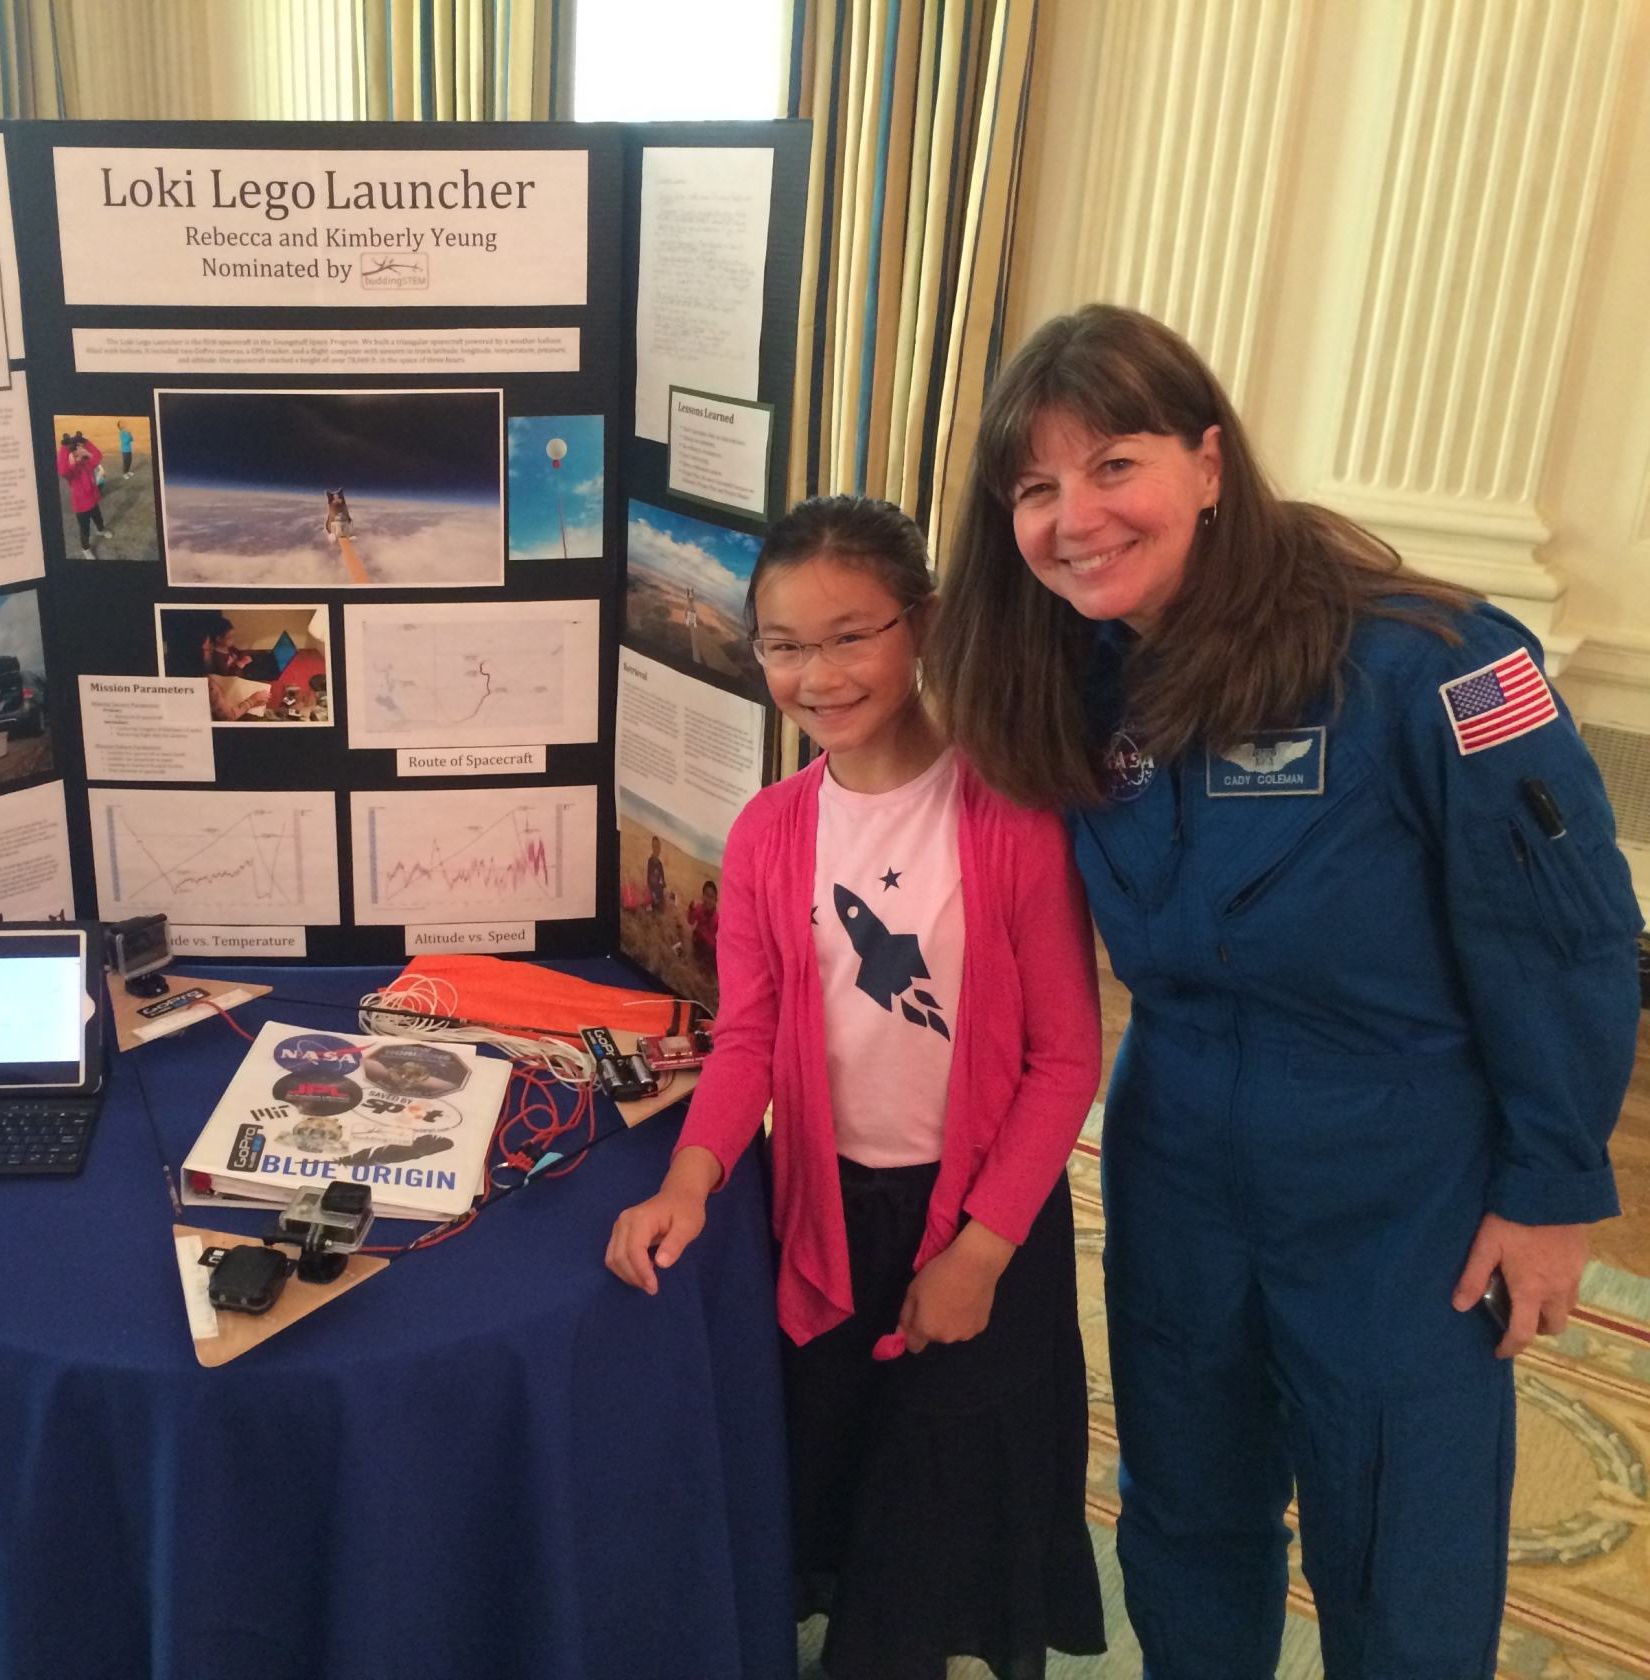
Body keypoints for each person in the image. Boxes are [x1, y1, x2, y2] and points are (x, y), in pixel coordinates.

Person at [926, 303, 1642, 1678]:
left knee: (1400, 1547)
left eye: (1113, 464)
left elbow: (1566, 938)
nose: (1073, 517)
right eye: (1033, 488)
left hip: (1396, 1178)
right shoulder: (1063, 673)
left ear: (1207, 459)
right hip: (1175, 1148)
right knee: (1184, 1514)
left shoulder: (1426, 659)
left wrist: (1551, 1188)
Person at [607, 496, 1107, 1679]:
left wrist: (977, 1254)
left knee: (930, 1521)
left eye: (849, 635)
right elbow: (747, 1036)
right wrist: (692, 1177)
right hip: (825, 1214)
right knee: (833, 1485)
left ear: (919, 623)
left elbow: (1063, 1060)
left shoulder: (1010, 814)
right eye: (782, 645)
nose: (816, 674)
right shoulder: (769, 833)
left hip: (983, 1220)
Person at [58, 431, 108, 555]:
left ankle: (101, 530)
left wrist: (86, 444)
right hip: (81, 507)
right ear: (72, 455)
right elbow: (62, 470)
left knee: (98, 519)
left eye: (81, 447)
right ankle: (85, 549)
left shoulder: (87, 463)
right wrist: (65, 448)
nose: (80, 450)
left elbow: (98, 456)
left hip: (93, 501)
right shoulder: (71, 472)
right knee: (84, 529)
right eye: (76, 450)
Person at [686, 877, 720, 967]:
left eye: (712, 897)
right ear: (702, 896)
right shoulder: (699, 908)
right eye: (707, 895)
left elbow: (720, 936)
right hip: (699, 939)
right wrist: (691, 911)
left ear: (716, 900)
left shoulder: (717, 917)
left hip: (710, 945)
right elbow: (691, 922)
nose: (709, 900)